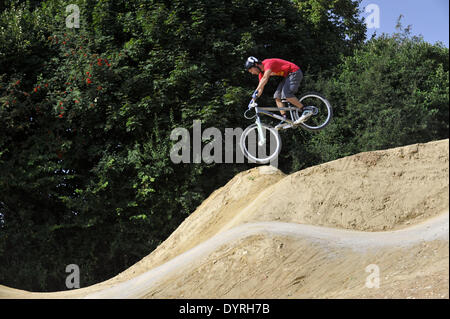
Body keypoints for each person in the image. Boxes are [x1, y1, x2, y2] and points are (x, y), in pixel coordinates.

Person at [245, 56, 313, 128]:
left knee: (287, 95)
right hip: (288, 76)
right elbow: (260, 88)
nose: (252, 73)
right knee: (277, 96)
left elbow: (265, 79)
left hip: (294, 72)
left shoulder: (268, 63)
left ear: (255, 65)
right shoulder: (261, 73)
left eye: (251, 70)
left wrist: (255, 90)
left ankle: (305, 109)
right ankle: (284, 118)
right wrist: (253, 100)